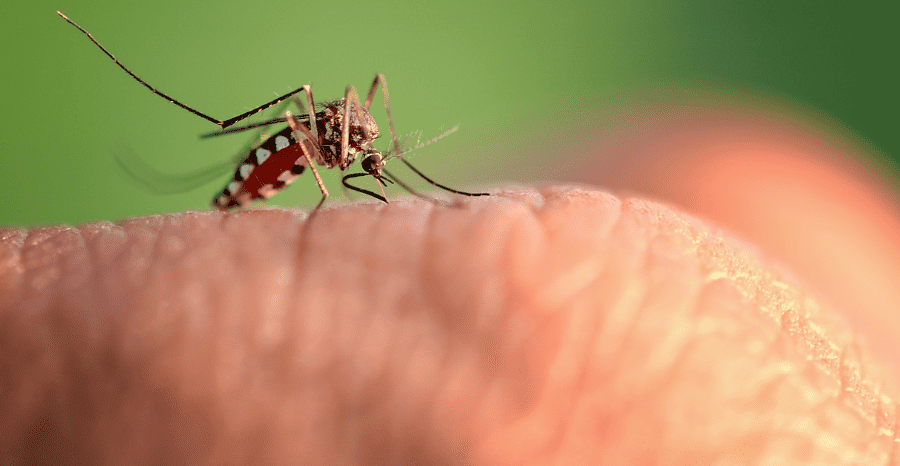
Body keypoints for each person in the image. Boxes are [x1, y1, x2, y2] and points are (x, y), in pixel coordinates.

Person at [1, 105, 898, 465]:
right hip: (282, 150)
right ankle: (208, 143)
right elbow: (318, 133)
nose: (373, 163)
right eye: (371, 157)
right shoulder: (329, 149)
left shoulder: (363, 150)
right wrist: (300, 172)